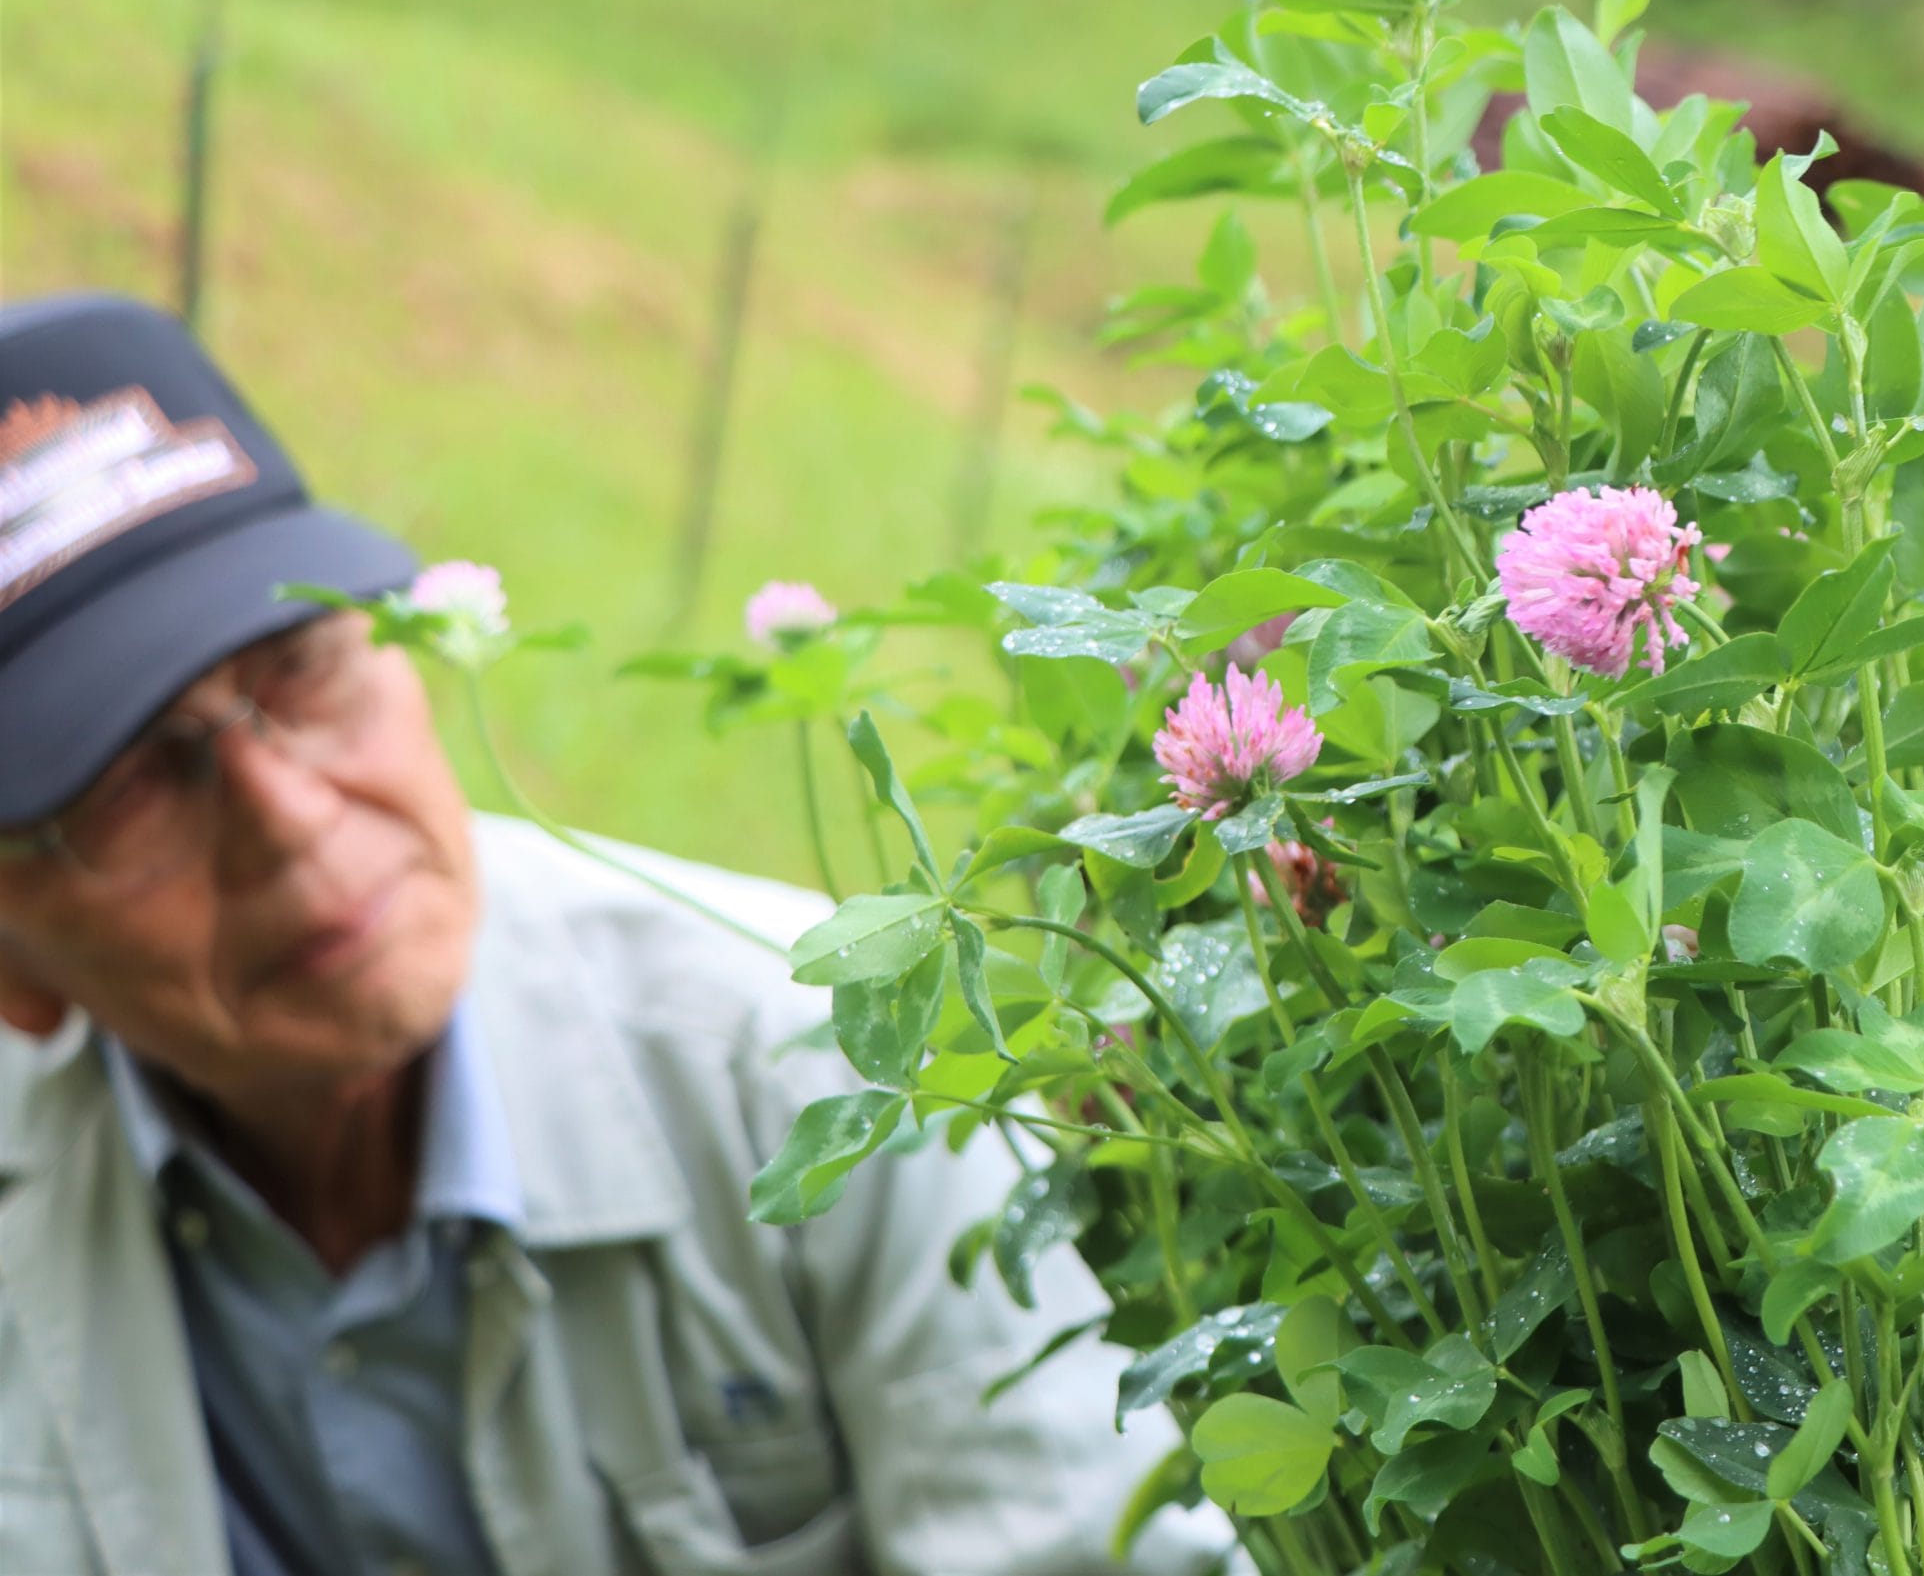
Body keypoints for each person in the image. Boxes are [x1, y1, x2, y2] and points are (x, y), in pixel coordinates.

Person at [0, 293, 1233, 1576]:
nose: (290, 819)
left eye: (302, 668)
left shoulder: (820, 1060)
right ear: (12, 958)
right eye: (134, 780)